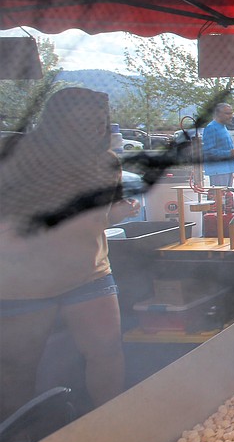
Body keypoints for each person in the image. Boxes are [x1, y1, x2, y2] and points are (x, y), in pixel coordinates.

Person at [0, 88, 139, 419]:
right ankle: (16, 437)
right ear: (57, 121)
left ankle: (107, 423)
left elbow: (99, 218)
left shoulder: (107, 162)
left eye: (99, 119)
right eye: (83, 118)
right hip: (25, 281)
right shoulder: (21, 158)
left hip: (89, 272)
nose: (94, 125)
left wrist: (122, 211)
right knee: (19, 366)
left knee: (106, 351)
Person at [202, 102, 234, 187]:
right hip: (218, 170)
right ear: (218, 114)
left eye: (231, 113)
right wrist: (229, 153)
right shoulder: (211, 128)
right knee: (220, 198)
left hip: (228, 169)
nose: (230, 116)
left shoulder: (223, 127)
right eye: (227, 113)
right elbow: (208, 151)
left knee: (227, 197)